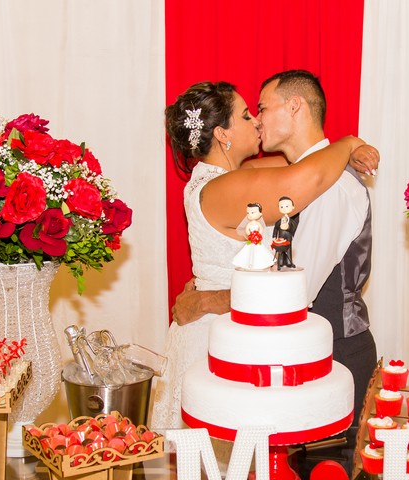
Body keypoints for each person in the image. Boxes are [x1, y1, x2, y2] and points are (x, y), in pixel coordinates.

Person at [152, 80, 378, 431]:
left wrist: (207, 298)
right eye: (247, 115)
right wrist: (348, 143)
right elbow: (303, 178)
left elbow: (299, 168)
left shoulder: (228, 177)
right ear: (222, 135)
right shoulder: (226, 186)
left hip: (269, 339)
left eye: (259, 110)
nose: (256, 121)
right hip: (225, 337)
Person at [231, 203, 273, 270]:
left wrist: (257, 235)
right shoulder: (249, 224)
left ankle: (259, 264)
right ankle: (248, 264)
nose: (250, 214)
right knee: (248, 251)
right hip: (251, 239)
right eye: (248, 213)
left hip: (257, 239)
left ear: (260, 214)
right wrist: (250, 235)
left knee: (259, 251)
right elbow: (247, 230)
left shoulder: (258, 224)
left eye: (252, 212)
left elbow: (261, 230)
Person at [271, 196, 297, 270]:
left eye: (287, 206)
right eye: (281, 206)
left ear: (293, 207)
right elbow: (276, 228)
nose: (284, 208)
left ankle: (289, 262)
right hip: (280, 238)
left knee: (288, 250)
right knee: (280, 250)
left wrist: (288, 227)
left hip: (288, 237)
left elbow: (294, 228)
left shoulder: (291, 222)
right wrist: (274, 236)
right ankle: (280, 262)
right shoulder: (279, 222)